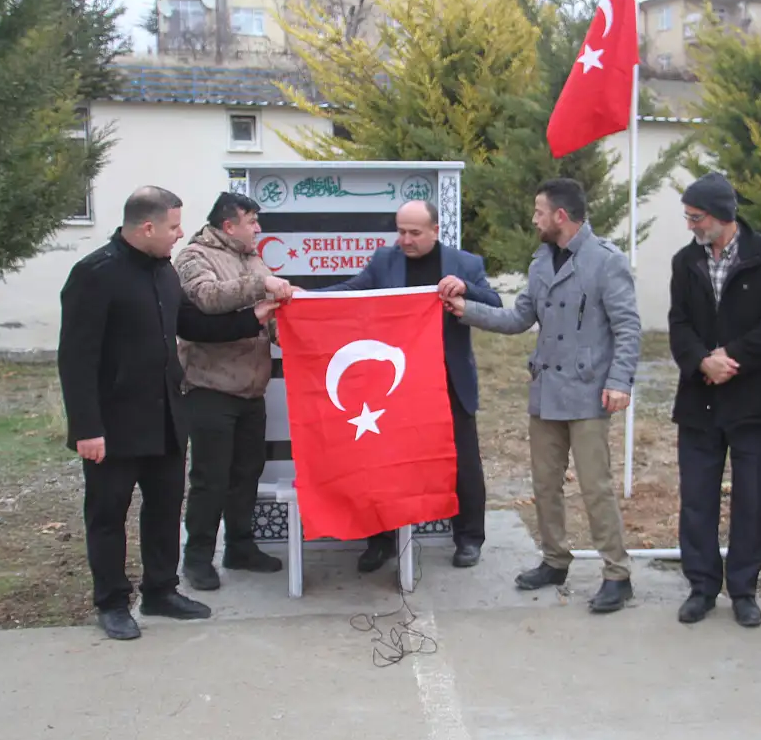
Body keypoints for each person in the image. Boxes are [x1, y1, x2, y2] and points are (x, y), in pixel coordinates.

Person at [57, 187, 280, 641]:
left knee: (162, 511)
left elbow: (192, 326)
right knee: (108, 515)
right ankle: (113, 602)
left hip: (166, 417)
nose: (181, 235)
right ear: (147, 227)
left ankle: (161, 589)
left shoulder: (162, 272)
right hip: (114, 424)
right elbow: (75, 358)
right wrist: (86, 427)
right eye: (175, 227)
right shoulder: (94, 274)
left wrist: (255, 317)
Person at [444, 178, 641, 614]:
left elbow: (627, 327)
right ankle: (555, 560)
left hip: (591, 393)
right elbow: (518, 318)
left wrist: (620, 382)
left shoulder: (606, 262)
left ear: (561, 216)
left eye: (539, 211)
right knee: (545, 485)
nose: (533, 219)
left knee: (595, 487)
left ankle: (617, 574)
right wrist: (466, 310)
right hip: (546, 390)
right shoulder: (540, 262)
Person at [320, 200, 501, 571]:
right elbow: (354, 291)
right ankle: (382, 540)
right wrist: (307, 299)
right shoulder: (384, 261)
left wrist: (466, 289)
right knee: (385, 463)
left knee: (463, 462)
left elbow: (495, 304)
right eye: (400, 231)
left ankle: (469, 539)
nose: (405, 239)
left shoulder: (465, 264)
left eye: (414, 233)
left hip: (448, 381)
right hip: (395, 385)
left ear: (435, 230)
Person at [667, 173, 761, 628]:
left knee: (751, 498)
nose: (690, 226)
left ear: (723, 215)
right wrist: (703, 361)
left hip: (754, 399)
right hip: (700, 400)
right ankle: (702, 587)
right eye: (687, 217)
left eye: (696, 217)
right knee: (697, 498)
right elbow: (678, 323)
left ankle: (743, 589)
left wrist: (734, 356)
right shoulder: (685, 262)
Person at [173, 192, 294, 591]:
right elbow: (207, 299)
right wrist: (261, 284)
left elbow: (265, 315)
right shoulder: (194, 257)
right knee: (211, 478)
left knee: (246, 473)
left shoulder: (251, 257)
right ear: (229, 226)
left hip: (250, 389)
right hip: (210, 387)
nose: (258, 229)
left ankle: (240, 547)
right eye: (252, 221)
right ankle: (197, 558)